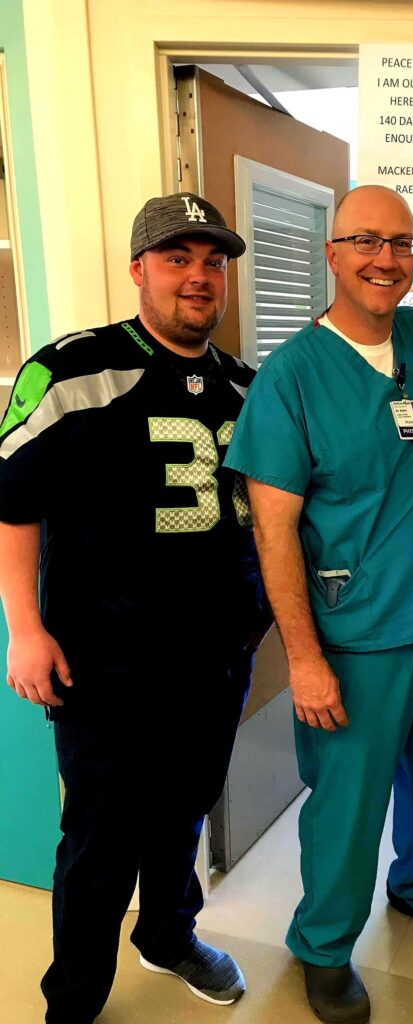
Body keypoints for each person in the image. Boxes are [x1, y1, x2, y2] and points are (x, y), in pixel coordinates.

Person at [226, 185, 413, 1024]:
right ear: (333, 253)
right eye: (366, 241)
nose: (386, 259)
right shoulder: (291, 379)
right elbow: (273, 534)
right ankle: (321, 944)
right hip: (352, 635)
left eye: (402, 243)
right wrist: (304, 660)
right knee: (349, 808)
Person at [0, 192, 271, 1024]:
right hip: (105, 664)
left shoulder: (244, 385)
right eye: (178, 258)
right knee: (99, 840)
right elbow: (13, 501)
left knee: (184, 810)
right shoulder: (71, 369)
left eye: (213, 261)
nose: (199, 277)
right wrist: (25, 628)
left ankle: (168, 934)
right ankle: (74, 1002)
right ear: (139, 269)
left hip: (215, 657)